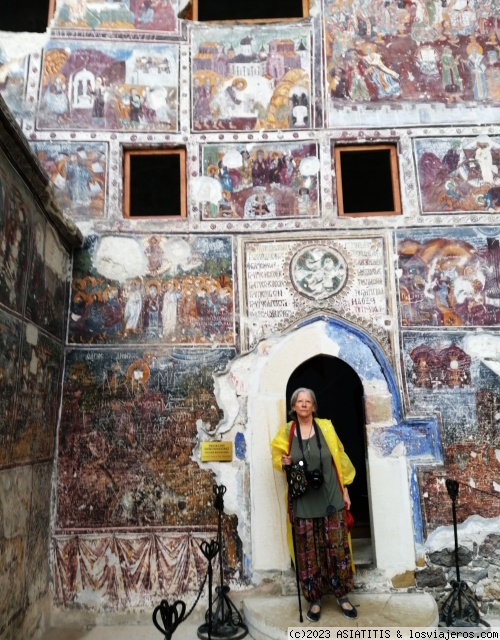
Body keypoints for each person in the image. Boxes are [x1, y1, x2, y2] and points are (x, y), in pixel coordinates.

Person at [271, 387, 357, 622]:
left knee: (337, 548)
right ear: (293, 406)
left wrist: (346, 489)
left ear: (314, 406)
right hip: (303, 499)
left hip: (330, 497)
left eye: (308, 401)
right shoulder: (287, 432)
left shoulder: (326, 427)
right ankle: (315, 599)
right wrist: (284, 461)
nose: (304, 405)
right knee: (308, 553)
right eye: (300, 401)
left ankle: (342, 595)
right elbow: (277, 458)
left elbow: (339, 457)